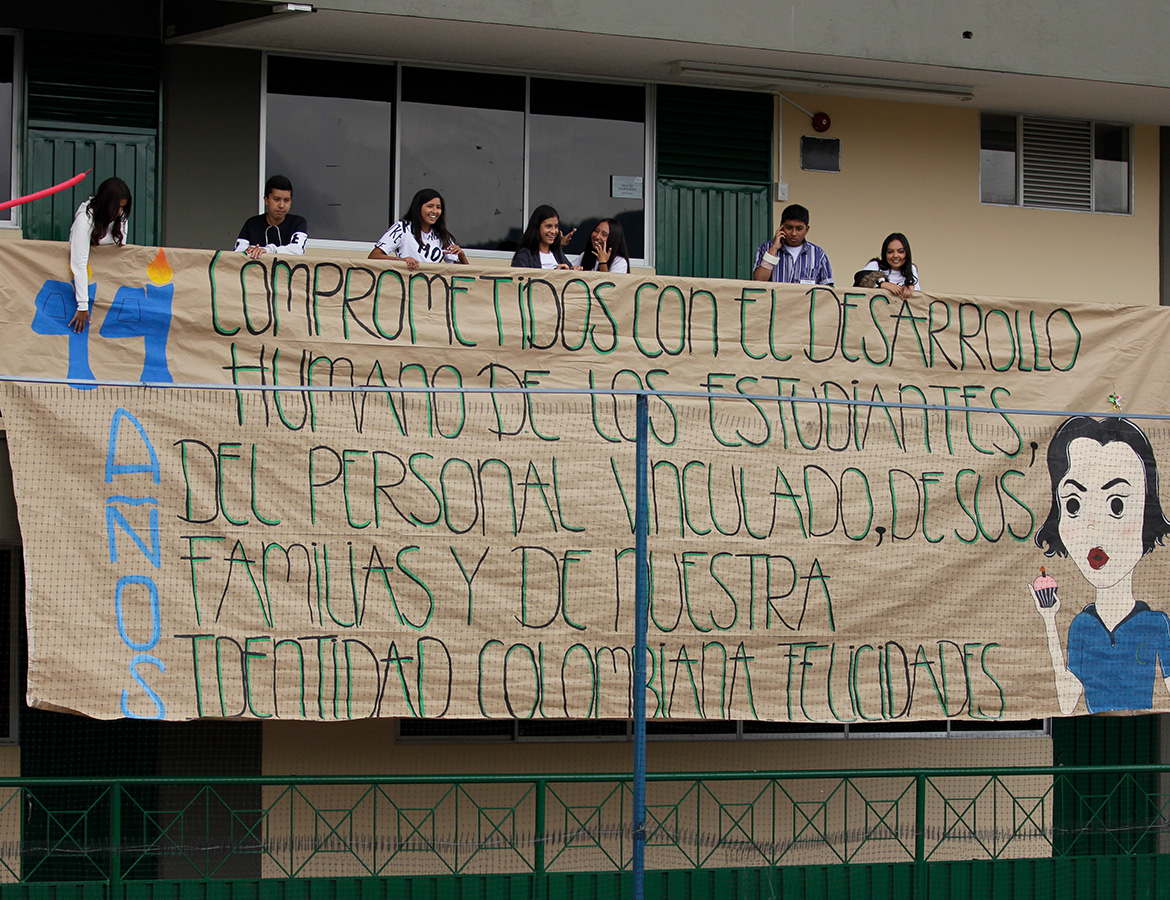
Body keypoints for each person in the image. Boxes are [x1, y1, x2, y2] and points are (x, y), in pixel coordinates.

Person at [1032, 416, 1170, 714]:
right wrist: (1048, 619)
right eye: (1073, 504)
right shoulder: (1081, 626)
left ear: (1148, 513)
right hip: (1092, 729)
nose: (1093, 528)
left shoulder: (1156, 624)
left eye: (1116, 504)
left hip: (1143, 736)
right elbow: (1068, 704)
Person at [68, 176, 132, 333]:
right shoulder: (84, 221)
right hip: (83, 288)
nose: (120, 212)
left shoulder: (120, 218)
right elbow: (79, 264)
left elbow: (120, 249)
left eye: (123, 207)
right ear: (106, 203)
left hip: (107, 286)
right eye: (117, 207)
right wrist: (83, 305)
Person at [369, 188, 468, 271]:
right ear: (418, 208)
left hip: (432, 291)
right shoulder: (402, 228)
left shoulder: (442, 235)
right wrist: (402, 261)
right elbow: (374, 256)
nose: (434, 211)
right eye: (430, 206)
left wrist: (462, 255)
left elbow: (464, 273)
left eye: (438, 207)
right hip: (407, 289)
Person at [751, 203, 833, 285]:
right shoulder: (766, 248)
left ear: (807, 229)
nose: (794, 233)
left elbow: (828, 290)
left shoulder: (818, 254)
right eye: (789, 227)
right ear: (781, 226)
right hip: (776, 298)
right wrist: (773, 250)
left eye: (799, 229)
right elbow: (759, 281)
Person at [234, 175, 308, 259]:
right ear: (266, 200)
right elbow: (237, 254)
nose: (281, 205)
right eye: (276, 199)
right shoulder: (252, 223)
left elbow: (298, 250)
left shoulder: (298, 222)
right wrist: (248, 251)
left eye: (286, 200)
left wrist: (268, 250)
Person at [511, 205, 575, 269]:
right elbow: (522, 278)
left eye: (556, 226)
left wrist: (575, 270)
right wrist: (555, 274)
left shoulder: (558, 253)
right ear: (537, 227)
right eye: (548, 226)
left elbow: (569, 275)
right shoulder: (525, 255)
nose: (553, 231)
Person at [861, 232, 920, 299]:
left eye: (900, 251)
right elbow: (860, 279)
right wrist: (882, 284)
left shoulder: (912, 269)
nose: (895, 255)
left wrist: (912, 288)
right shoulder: (876, 265)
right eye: (890, 252)